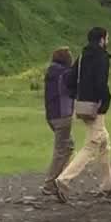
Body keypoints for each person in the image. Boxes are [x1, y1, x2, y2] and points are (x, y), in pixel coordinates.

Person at [52, 27, 111, 201]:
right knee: (92, 145)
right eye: (107, 38)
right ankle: (64, 180)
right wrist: (105, 101)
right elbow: (101, 83)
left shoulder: (82, 57)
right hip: (96, 106)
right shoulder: (102, 57)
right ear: (101, 39)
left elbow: (69, 79)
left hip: (82, 104)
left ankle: (108, 184)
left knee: (104, 142)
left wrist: (77, 95)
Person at [42, 47, 76, 194]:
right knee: (62, 150)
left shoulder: (51, 72)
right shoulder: (64, 74)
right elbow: (71, 89)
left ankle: (59, 179)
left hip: (52, 115)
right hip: (63, 115)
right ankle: (52, 184)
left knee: (68, 147)